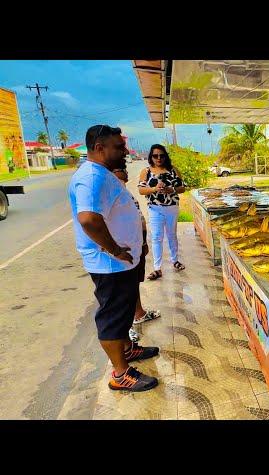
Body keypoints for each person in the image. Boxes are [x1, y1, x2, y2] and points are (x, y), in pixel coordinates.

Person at [68, 125, 159, 392]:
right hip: (111, 265)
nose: (125, 151)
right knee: (112, 317)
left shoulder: (101, 173)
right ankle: (120, 374)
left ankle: (127, 350)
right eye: (119, 147)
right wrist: (115, 250)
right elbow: (88, 219)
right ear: (99, 148)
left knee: (124, 308)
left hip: (122, 262)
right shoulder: (91, 177)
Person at [112, 167, 162, 343]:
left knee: (133, 285)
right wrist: (115, 250)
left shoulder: (124, 192)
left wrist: (143, 243)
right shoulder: (110, 194)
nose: (124, 171)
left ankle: (139, 314)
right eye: (119, 169)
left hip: (135, 248)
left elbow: (138, 218)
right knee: (121, 292)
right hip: (121, 253)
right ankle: (125, 331)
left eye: (123, 168)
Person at [137, 144, 186, 280]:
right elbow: (141, 190)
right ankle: (157, 268)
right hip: (155, 208)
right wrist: (154, 189)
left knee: (172, 235)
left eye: (162, 155)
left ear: (166, 156)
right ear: (151, 157)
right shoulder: (146, 171)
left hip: (172, 207)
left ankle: (175, 260)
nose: (159, 158)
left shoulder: (173, 170)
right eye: (155, 155)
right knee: (156, 237)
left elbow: (183, 187)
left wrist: (172, 189)